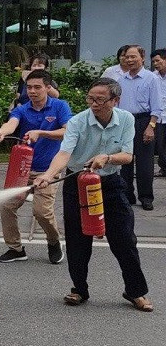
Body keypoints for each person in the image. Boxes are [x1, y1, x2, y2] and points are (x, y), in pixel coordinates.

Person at [33, 78, 153, 312]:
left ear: (115, 100)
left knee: (125, 240)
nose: (94, 104)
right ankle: (79, 289)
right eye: (90, 99)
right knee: (78, 240)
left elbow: (128, 156)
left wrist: (106, 157)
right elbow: (64, 154)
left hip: (110, 184)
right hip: (77, 184)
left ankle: (135, 291)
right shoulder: (78, 121)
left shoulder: (126, 119)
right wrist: (48, 175)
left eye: (100, 100)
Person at [0, 70, 71, 264]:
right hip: (22, 169)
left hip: (48, 169)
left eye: (37, 87)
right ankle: (16, 249)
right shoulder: (22, 109)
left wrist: (41, 133)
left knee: (41, 212)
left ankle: (53, 242)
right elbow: (11, 124)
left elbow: (67, 132)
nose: (33, 91)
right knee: (7, 206)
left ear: (47, 88)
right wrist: (1, 132)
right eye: (29, 87)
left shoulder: (60, 107)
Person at [116, 45, 161, 211]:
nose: (129, 60)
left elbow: (156, 106)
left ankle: (146, 197)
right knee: (125, 160)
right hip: (125, 122)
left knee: (145, 163)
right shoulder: (122, 79)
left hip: (144, 121)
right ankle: (127, 195)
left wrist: (151, 126)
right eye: (127, 57)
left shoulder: (151, 78)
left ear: (142, 58)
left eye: (133, 57)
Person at [150, 48, 166, 177]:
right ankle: (163, 168)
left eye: (158, 60)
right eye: (153, 61)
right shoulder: (152, 77)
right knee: (160, 145)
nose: (155, 64)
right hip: (159, 117)